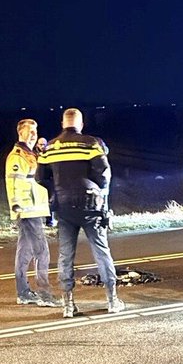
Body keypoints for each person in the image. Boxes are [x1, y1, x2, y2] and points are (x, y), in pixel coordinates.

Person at [36, 108, 123, 317]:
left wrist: (56, 188)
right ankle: (112, 300)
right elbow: (104, 173)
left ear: (62, 123)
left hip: (64, 206)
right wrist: (99, 192)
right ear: (81, 124)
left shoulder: (51, 147)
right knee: (102, 252)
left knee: (65, 255)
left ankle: (68, 305)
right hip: (91, 205)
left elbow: (40, 177)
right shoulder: (91, 143)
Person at [5, 119, 57, 307]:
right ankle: (44, 294)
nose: (34, 134)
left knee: (24, 252)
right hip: (28, 211)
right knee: (42, 252)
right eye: (30, 131)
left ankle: (24, 293)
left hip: (34, 209)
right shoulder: (17, 156)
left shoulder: (31, 154)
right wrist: (17, 206)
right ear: (20, 132)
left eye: (35, 130)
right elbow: (14, 182)